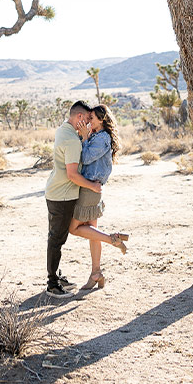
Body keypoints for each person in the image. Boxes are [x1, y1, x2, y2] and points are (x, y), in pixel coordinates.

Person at [44, 100, 103, 298]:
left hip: (57, 192)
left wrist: (83, 136)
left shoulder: (64, 129)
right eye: (86, 119)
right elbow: (72, 174)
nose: (87, 123)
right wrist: (93, 185)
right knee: (56, 239)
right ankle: (52, 284)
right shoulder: (71, 140)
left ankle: (56, 277)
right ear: (79, 117)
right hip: (62, 195)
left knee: (58, 237)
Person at [68, 104, 129, 291]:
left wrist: (84, 137)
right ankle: (96, 273)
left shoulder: (102, 138)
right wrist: (85, 136)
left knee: (73, 228)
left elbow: (85, 158)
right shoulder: (97, 136)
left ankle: (113, 239)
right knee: (92, 231)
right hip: (91, 187)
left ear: (101, 120)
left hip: (90, 188)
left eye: (92, 118)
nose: (88, 121)